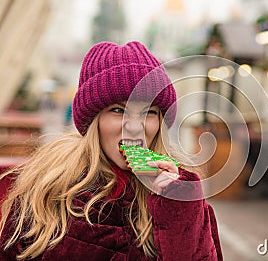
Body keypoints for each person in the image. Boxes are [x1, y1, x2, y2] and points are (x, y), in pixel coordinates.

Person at [0, 41, 223, 260]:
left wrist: (177, 206)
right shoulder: (44, 190)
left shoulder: (185, 197)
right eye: (118, 110)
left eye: (150, 112)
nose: (135, 126)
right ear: (93, 122)